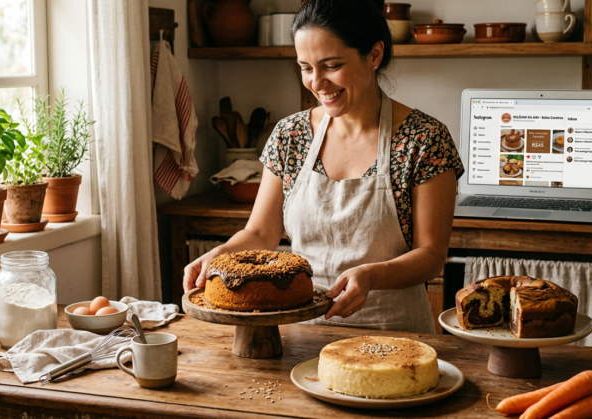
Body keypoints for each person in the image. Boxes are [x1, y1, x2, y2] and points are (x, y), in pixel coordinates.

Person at [183, 0, 464, 333]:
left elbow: (431, 255)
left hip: (395, 334)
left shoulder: (424, 139)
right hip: (302, 332)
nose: (317, 82)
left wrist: (371, 275)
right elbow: (261, 233)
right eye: (305, 67)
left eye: (331, 65)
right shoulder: (290, 135)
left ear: (374, 55)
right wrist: (218, 257)